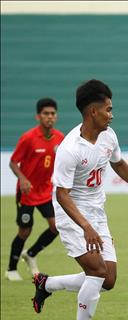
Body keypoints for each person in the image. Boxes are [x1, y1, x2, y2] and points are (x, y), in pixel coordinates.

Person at [30, 80, 128, 320]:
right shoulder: (70, 148)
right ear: (92, 111)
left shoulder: (108, 136)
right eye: (108, 110)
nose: (112, 115)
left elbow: (119, 163)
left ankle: (47, 284)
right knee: (97, 271)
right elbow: (62, 194)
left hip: (97, 212)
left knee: (108, 279)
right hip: (72, 215)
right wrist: (85, 226)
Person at [5, 98, 64, 282]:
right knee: (25, 231)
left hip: (46, 191)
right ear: (38, 116)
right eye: (46, 114)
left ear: (56, 116)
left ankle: (31, 254)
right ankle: (11, 269)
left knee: (56, 227)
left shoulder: (60, 139)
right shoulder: (28, 138)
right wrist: (22, 179)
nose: (50, 117)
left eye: (52, 114)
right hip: (27, 193)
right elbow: (13, 162)